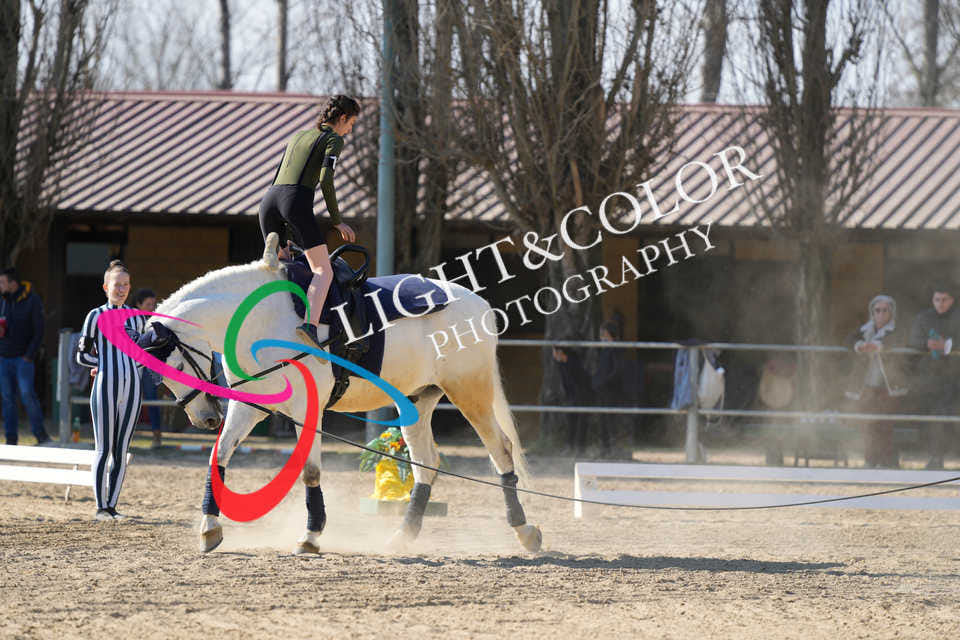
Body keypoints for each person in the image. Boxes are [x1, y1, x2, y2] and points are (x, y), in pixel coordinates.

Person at [258, 95, 360, 352]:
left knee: (283, 267)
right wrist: (337, 221)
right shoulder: (334, 139)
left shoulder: (298, 136)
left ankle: (273, 318)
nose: (350, 130)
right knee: (323, 270)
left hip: (269, 201)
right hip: (295, 201)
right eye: (351, 124)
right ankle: (310, 326)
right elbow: (326, 179)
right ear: (342, 118)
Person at [76, 261, 148, 521]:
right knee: (103, 447)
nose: (122, 289)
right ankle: (100, 507)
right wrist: (103, 365)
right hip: (105, 386)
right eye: (117, 285)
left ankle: (112, 507)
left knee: (121, 448)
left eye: (126, 285)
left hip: (133, 389)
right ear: (106, 287)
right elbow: (82, 355)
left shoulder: (137, 318)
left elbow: (142, 355)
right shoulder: (95, 316)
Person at [847, 295, 907, 468]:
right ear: (872, 312)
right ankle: (871, 460)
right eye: (877, 310)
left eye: (885, 310)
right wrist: (859, 345)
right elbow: (848, 340)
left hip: (888, 386)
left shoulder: (896, 331)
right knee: (868, 424)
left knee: (885, 425)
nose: (880, 314)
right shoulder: (864, 330)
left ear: (891, 312)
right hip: (867, 386)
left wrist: (880, 347)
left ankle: (887, 461)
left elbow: (899, 342)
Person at [908, 282, 960, 469]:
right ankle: (935, 457)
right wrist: (927, 344)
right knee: (933, 418)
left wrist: (948, 345)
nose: (940, 303)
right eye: (937, 299)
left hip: (956, 376)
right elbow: (913, 340)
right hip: (931, 377)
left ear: (952, 300)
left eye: (944, 300)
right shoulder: (923, 318)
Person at [0, 267, 51, 446]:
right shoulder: (2, 301)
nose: (0, 286)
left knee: (27, 396)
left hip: (23, 359)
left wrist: (29, 356)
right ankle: (11, 439)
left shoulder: (32, 300)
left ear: (13, 283)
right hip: (3, 358)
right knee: (7, 399)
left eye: (2, 282)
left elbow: (39, 331)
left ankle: (41, 436)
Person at [133, 288, 163, 448]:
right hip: (133, 363)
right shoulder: (131, 320)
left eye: (153, 304)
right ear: (139, 304)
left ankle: (157, 436)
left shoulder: (155, 321)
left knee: (152, 399)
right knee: (129, 398)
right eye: (148, 304)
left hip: (150, 365)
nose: (152, 307)